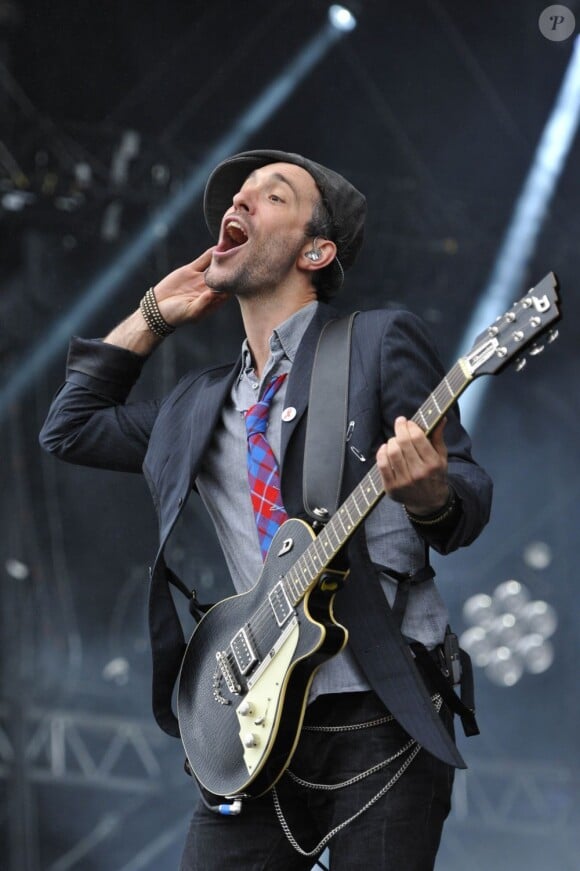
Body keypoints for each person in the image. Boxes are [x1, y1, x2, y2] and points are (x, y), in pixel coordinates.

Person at [40, 149, 493, 870]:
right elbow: (69, 425)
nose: (242, 201)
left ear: (317, 249)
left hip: (381, 712)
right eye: (238, 194)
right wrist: (156, 311)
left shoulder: (375, 342)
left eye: (271, 195)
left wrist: (430, 493)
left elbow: (465, 494)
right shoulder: (197, 403)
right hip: (251, 726)